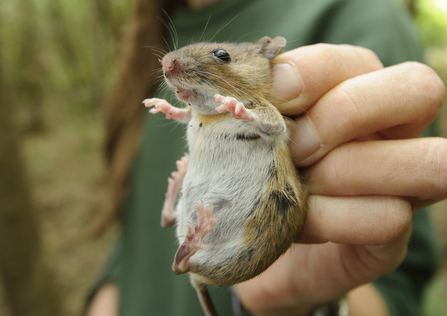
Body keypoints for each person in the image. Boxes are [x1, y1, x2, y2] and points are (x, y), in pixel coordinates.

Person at [86, 0, 447, 315]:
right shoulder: (150, 34)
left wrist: (299, 303)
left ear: (265, 56)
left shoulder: (355, 14)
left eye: (222, 57)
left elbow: (400, 286)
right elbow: (131, 241)